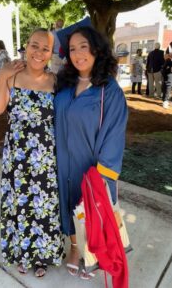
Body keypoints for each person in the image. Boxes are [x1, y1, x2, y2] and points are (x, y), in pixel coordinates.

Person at [0, 28, 65, 277]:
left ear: (51, 53)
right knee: (19, 205)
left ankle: (42, 256)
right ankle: (22, 253)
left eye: (45, 48)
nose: (39, 52)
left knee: (44, 207)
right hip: (17, 158)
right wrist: (2, 76)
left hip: (46, 158)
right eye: (35, 45)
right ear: (26, 46)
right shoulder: (13, 76)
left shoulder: (55, 82)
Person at [55, 26, 128, 279]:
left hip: (91, 167)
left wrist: (102, 176)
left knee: (90, 210)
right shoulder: (64, 85)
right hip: (63, 162)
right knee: (68, 205)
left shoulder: (110, 91)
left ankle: (92, 251)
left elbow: (114, 136)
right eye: (72, 49)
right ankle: (75, 246)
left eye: (83, 47)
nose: (77, 54)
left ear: (96, 49)